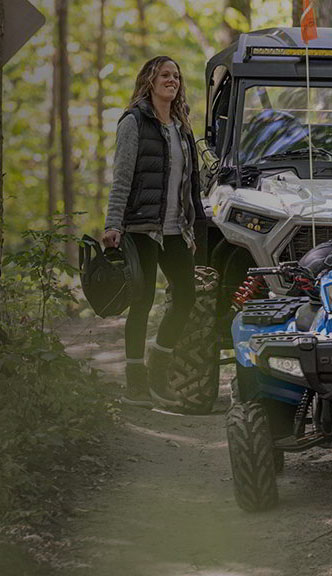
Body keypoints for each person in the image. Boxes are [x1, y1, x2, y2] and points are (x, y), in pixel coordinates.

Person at [103, 55, 206, 409]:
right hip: (141, 227)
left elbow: (190, 184)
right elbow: (122, 177)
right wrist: (113, 224)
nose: (172, 80)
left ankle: (158, 374)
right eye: (165, 74)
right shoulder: (133, 121)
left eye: (176, 75)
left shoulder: (181, 126)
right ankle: (135, 387)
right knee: (142, 302)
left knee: (186, 297)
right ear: (149, 79)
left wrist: (193, 228)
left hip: (177, 229)